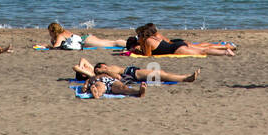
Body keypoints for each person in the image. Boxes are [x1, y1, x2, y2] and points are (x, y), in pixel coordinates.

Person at [71, 57, 201, 84]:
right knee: (160, 75)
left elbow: (83, 59)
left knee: (161, 74)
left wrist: (86, 67)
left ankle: (185, 77)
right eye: (85, 69)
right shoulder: (98, 72)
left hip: (131, 70)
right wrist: (88, 72)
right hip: (131, 73)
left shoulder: (97, 69)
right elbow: (76, 67)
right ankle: (186, 78)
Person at [134, 23, 235, 57]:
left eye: (138, 36)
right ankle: (226, 48)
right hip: (177, 45)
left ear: (142, 36)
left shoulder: (147, 42)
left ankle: (225, 52)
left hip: (176, 49)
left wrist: (138, 50)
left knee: (202, 51)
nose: (137, 38)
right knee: (202, 49)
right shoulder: (153, 37)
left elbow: (147, 56)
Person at [46, 22, 125, 50]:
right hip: (87, 38)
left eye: (50, 32)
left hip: (86, 41)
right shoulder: (64, 31)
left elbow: (56, 47)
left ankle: (128, 44)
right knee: (111, 42)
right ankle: (127, 43)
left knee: (112, 44)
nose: (49, 34)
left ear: (53, 31)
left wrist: (47, 46)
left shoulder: (60, 36)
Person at [81, 74, 147, 98]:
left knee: (123, 87)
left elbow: (118, 77)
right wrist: (85, 86)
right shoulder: (90, 78)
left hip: (111, 81)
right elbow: (84, 87)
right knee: (100, 87)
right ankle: (97, 94)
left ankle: (139, 92)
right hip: (98, 81)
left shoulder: (106, 73)